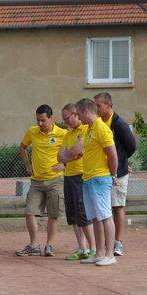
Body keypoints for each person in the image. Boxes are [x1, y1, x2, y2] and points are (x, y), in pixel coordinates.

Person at [63, 98, 119, 266]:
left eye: (79, 114)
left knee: (105, 215)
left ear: (86, 112)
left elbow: (113, 155)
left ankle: (110, 254)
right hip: (87, 178)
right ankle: (99, 253)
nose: (78, 117)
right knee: (95, 217)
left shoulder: (102, 128)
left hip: (100, 177)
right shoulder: (88, 130)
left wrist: (114, 175)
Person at [15, 104, 67, 257]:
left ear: (51, 118)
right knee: (29, 212)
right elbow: (22, 148)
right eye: (38, 120)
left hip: (55, 180)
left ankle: (49, 245)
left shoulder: (63, 134)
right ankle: (33, 245)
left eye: (43, 120)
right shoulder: (32, 131)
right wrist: (27, 165)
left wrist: (64, 164)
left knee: (53, 214)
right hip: (36, 181)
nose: (40, 123)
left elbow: (76, 151)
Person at [94, 92, 136, 256]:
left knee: (117, 206)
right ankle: (106, 243)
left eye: (98, 105)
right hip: (102, 172)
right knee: (104, 208)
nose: (96, 108)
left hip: (118, 173)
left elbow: (131, 146)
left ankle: (117, 242)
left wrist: (120, 162)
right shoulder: (98, 123)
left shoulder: (119, 124)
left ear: (108, 106)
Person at [57, 103, 96, 261]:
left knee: (83, 213)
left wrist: (71, 153)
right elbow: (60, 156)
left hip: (81, 175)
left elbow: (78, 149)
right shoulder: (68, 134)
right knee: (72, 214)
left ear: (75, 114)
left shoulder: (86, 129)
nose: (66, 122)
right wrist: (71, 154)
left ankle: (93, 248)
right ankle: (82, 248)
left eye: (67, 119)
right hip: (68, 175)